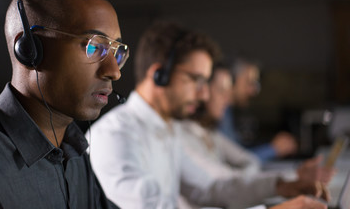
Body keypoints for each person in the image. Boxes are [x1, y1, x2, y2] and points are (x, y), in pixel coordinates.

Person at [88, 21, 328, 209]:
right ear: (159, 74)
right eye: (195, 80)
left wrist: (282, 185)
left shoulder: (165, 128)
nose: (204, 95)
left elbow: (211, 187)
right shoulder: (115, 135)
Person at [0, 0, 129, 209]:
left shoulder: (73, 150)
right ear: (29, 49)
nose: (114, 72)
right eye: (94, 47)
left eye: (116, 52)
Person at [179, 64, 335, 208]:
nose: (228, 98)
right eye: (221, 91)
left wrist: (288, 180)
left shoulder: (210, 132)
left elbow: (232, 176)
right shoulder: (182, 136)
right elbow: (221, 185)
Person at [219, 58, 298, 162]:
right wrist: (273, 149)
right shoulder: (220, 112)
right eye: (249, 82)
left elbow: (237, 153)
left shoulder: (228, 112)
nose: (253, 91)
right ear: (231, 79)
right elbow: (235, 162)